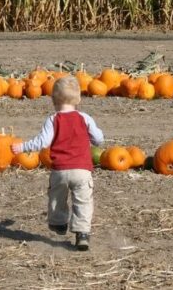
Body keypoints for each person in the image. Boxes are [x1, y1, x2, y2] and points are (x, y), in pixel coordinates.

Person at [11, 75, 104, 251]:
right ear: (78, 99)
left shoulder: (53, 119)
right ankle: (82, 234)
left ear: (53, 99)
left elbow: (42, 142)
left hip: (60, 170)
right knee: (83, 201)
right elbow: (99, 139)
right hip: (82, 171)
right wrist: (93, 138)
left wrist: (23, 147)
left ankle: (58, 222)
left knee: (56, 198)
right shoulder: (85, 118)